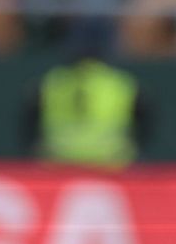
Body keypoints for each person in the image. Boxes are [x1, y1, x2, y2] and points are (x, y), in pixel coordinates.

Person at [22, 54, 150, 168]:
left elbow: (28, 125)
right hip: (112, 163)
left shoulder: (51, 81)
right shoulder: (121, 83)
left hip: (58, 163)